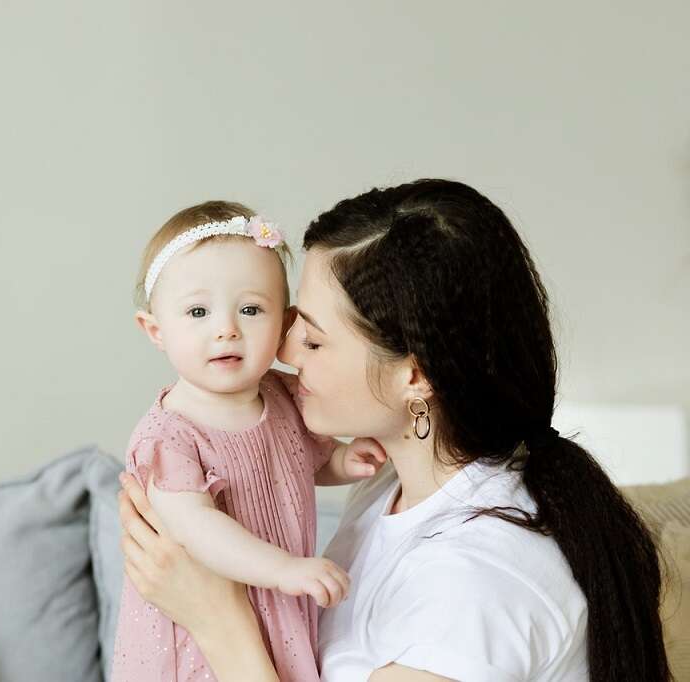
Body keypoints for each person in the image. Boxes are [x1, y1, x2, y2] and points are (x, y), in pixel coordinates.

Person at [117, 180, 671, 681]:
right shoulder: (395, 485)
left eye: (310, 339)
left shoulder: (472, 587)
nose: (281, 353)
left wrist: (218, 620)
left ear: (415, 374)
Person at [112, 201, 388, 682]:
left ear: (285, 324)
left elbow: (299, 464)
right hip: (199, 623)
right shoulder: (168, 436)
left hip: (276, 605)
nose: (226, 328)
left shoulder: (283, 396)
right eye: (198, 311)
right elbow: (194, 527)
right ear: (155, 330)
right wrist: (283, 568)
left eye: (250, 309)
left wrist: (342, 460)